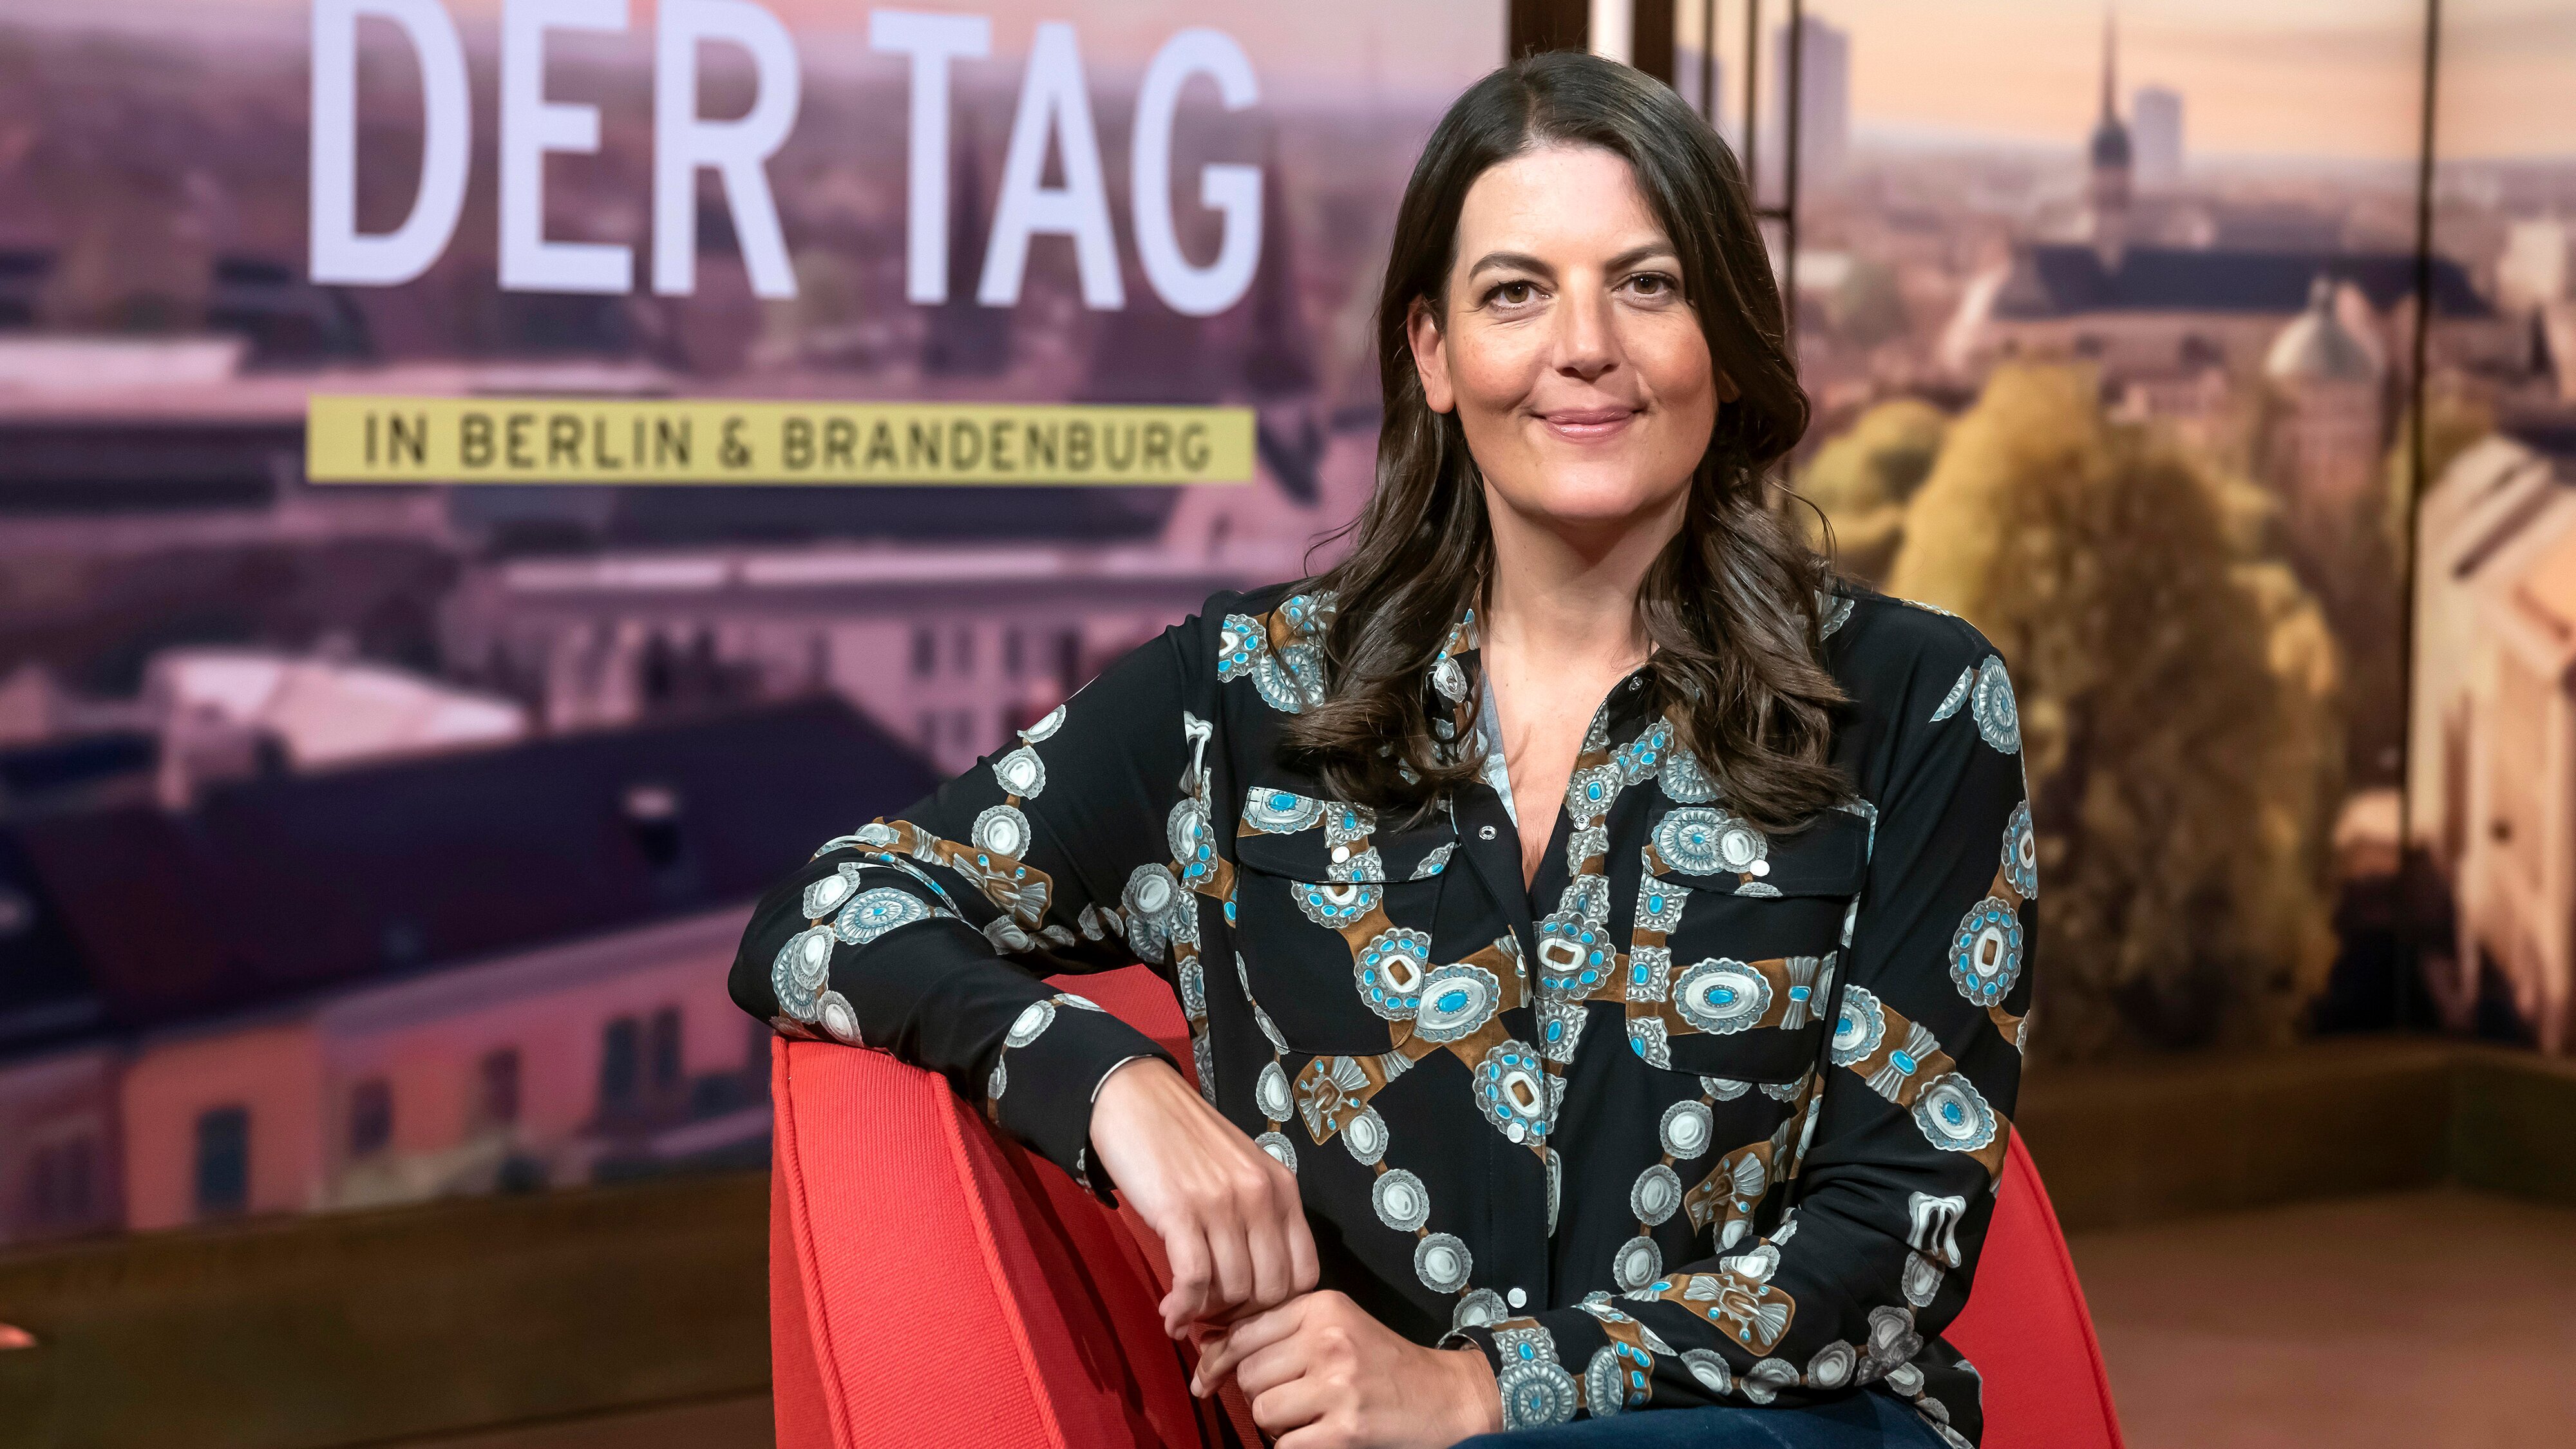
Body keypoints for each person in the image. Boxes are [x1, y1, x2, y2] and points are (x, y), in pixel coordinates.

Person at [731, 50, 2031, 1449]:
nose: (1583, 344)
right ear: (1432, 352)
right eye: (1514, 292)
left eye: (1646, 284)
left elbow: (1896, 1241)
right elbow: (823, 916)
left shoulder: (1915, 699)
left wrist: (1481, 1391)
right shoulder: (1242, 700)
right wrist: (1108, 1083)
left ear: (1722, 331)